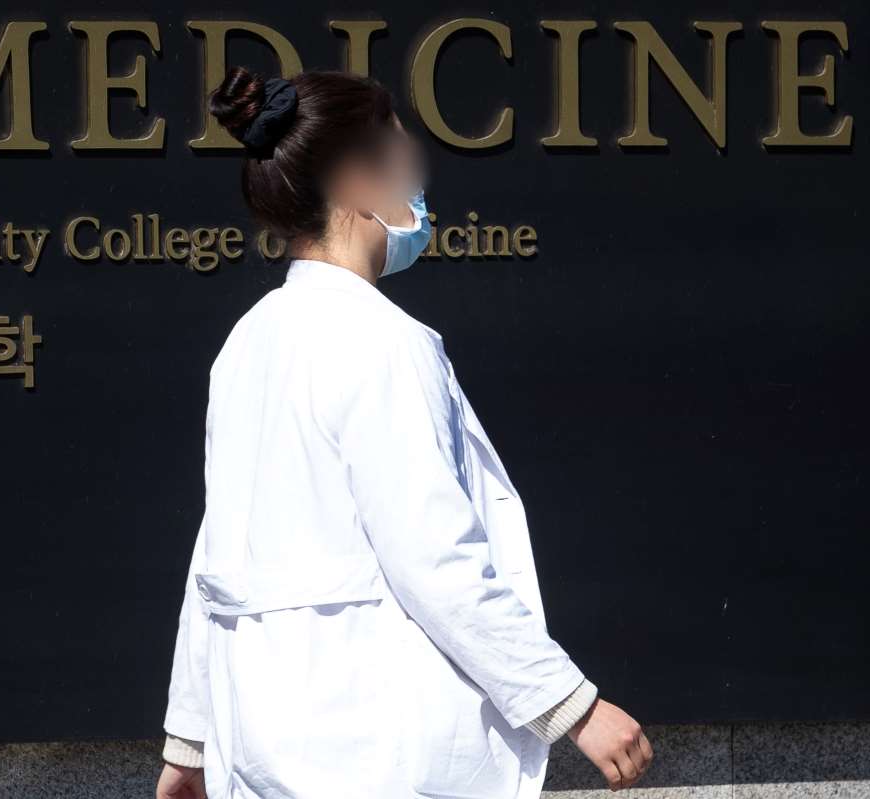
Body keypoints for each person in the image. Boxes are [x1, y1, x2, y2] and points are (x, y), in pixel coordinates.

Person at [155, 67, 652, 799]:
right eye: (406, 163)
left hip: (261, 753)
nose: (421, 189)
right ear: (359, 182)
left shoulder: (248, 343)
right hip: (369, 752)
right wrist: (571, 706)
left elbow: (218, 554)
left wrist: (191, 739)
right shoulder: (383, 341)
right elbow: (433, 556)